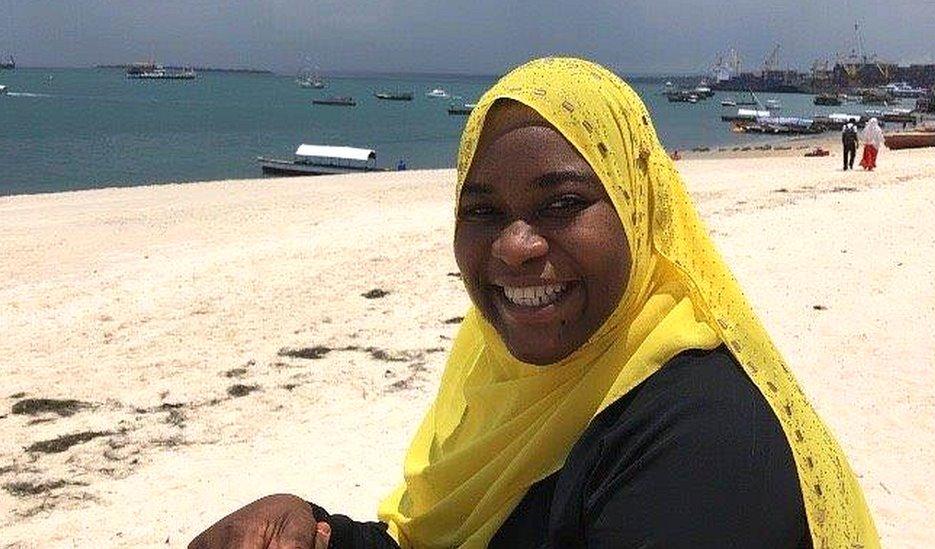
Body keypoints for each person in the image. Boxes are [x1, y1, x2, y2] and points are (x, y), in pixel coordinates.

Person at [189, 58, 879, 548]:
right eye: (483, 210)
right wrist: (315, 530)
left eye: (564, 203)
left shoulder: (701, 441)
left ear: (640, 211)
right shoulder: (499, 376)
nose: (515, 245)